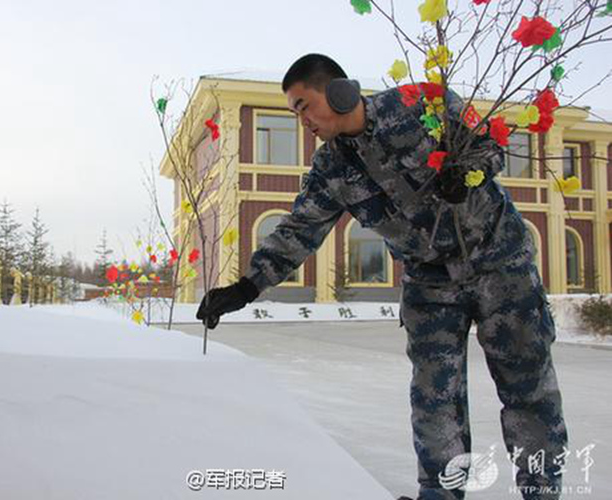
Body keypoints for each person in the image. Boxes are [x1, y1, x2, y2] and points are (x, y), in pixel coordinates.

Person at [196, 53, 567, 500]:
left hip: (499, 262)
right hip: (430, 283)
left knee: (527, 389)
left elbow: (489, 140)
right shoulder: (331, 170)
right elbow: (298, 230)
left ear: (339, 91)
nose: (304, 122)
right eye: (295, 113)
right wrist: (245, 287)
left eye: (304, 106)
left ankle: (543, 491)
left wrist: (466, 174)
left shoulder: (422, 104)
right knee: (434, 398)